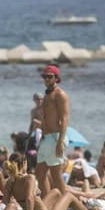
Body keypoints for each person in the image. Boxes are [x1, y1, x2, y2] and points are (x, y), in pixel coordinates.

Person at [35, 65, 69, 198]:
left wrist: (60, 142)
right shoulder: (47, 94)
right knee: (40, 173)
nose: (46, 79)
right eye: (45, 77)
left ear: (56, 78)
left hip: (55, 138)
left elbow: (64, 119)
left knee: (56, 175)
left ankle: (65, 203)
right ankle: (48, 202)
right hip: (46, 138)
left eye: (50, 77)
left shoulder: (60, 94)